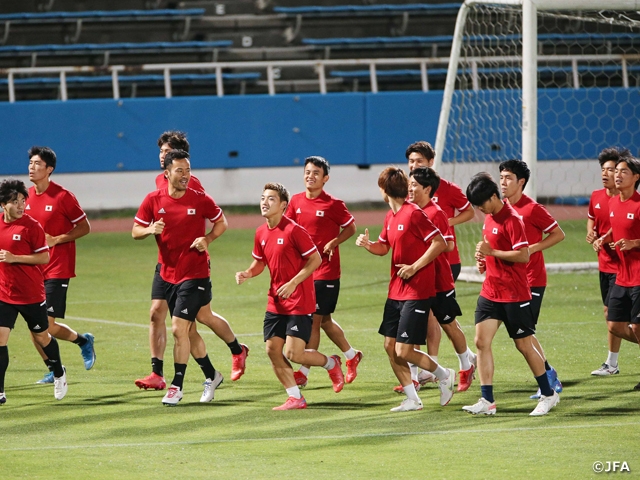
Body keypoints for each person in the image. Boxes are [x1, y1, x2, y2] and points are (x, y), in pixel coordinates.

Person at [135, 131, 248, 391]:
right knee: (158, 315)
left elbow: (204, 214)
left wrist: (205, 240)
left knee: (197, 320)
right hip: (167, 263)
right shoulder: (159, 180)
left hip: (191, 265)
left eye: (167, 151)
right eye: (161, 151)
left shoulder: (192, 184)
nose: (162, 155)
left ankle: (234, 350)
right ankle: (158, 373)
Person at [236, 183, 345, 410]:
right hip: (276, 301)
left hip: (299, 301)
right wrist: (248, 273)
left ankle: (331, 363)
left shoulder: (294, 230)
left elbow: (315, 259)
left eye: (271, 199)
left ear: (283, 205)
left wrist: (294, 282)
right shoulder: (260, 232)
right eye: (263, 198)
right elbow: (260, 262)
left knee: (293, 353)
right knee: (272, 350)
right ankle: (295, 397)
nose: (264, 202)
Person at [355, 167, 455, 412]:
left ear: (384, 190)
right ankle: (412, 399)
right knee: (390, 347)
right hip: (396, 291)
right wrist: (369, 245)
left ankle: (444, 374)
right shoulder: (390, 216)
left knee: (403, 349)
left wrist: (414, 266)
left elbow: (440, 242)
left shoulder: (414, 214)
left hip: (417, 291)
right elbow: (384, 247)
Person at [463, 172, 559, 416]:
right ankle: (487, 401)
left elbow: (524, 255)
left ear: (494, 196)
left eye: (481, 204)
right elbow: (491, 248)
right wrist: (483, 259)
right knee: (481, 342)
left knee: (524, 345)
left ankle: (548, 394)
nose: (480, 209)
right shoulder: (489, 217)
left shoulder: (513, 220)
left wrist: (492, 253)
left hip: (515, 294)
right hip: (490, 292)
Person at [285, 156, 362, 388]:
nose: (310, 176)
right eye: (307, 172)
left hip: (326, 272)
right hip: (304, 271)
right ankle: (351, 355)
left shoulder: (333, 204)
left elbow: (351, 226)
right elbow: (288, 228)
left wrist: (335, 242)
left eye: (316, 173)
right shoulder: (296, 201)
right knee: (325, 320)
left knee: (315, 321)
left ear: (325, 178)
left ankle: (304, 372)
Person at [406, 141, 475, 385]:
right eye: (411, 162)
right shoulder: (410, 192)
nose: (414, 166)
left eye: (419, 162)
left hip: (443, 265)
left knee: (439, 318)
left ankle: (455, 363)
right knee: (415, 318)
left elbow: (465, 218)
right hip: (417, 267)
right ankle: (421, 372)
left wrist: (443, 228)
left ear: (430, 163)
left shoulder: (441, 198)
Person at [25, 146, 95, 385]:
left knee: (47, 325)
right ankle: (54, 369)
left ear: (49, 169)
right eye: (31, 163)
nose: (32, 168)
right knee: (35, 327)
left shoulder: (63, 196)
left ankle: (83, 341)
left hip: (57, 267)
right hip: (32, 270)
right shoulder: (25, 197)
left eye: (37, 164)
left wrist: (58, 239)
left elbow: (84, 227)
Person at [498, 159, 565, 399]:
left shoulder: (532, 208)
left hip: (532, 280)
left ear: (521, 182)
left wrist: (533, 249)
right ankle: (548, 374)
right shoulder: (501, 209)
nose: (503, 182)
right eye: (501, 177)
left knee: (524, 336)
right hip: (507, 283)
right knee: (523, 335)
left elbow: (558, 234)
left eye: (508, 178)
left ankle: (547, 378)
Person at [0, 179, 68, 403]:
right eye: (15, 201)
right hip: (4, 294)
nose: (21, 205)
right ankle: (0, 390)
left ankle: (58, 372)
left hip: (31, 294)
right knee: (0, 339)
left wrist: (14, 258)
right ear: (3, 204)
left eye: (22, 201)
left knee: (41, 336)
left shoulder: (32, 226)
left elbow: (44, 257)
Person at [593, 156, 640, 390]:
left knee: (638, 327)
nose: (617, 175)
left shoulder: (639, 205)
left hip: (639, 277)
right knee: (614, 325)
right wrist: (605, 238)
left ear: (636, 178)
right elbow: (616, 225)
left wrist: (634, 243)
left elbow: (631, 235)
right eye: (616, 171)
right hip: (622, 276)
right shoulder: (613, 203)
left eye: (623, 172)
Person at [587, 147, 626, 375]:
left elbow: (620, 223)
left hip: (622, 266)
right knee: (609, 313)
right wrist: (592, 234)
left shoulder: (623, 199)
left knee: (616, 317)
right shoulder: (596, 196)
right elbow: (591, 219)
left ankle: (612, 363)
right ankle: (612, 363)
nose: (605, 174)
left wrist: (607, 238)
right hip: (604, 264)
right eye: (603, 169)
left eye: (610, 169)